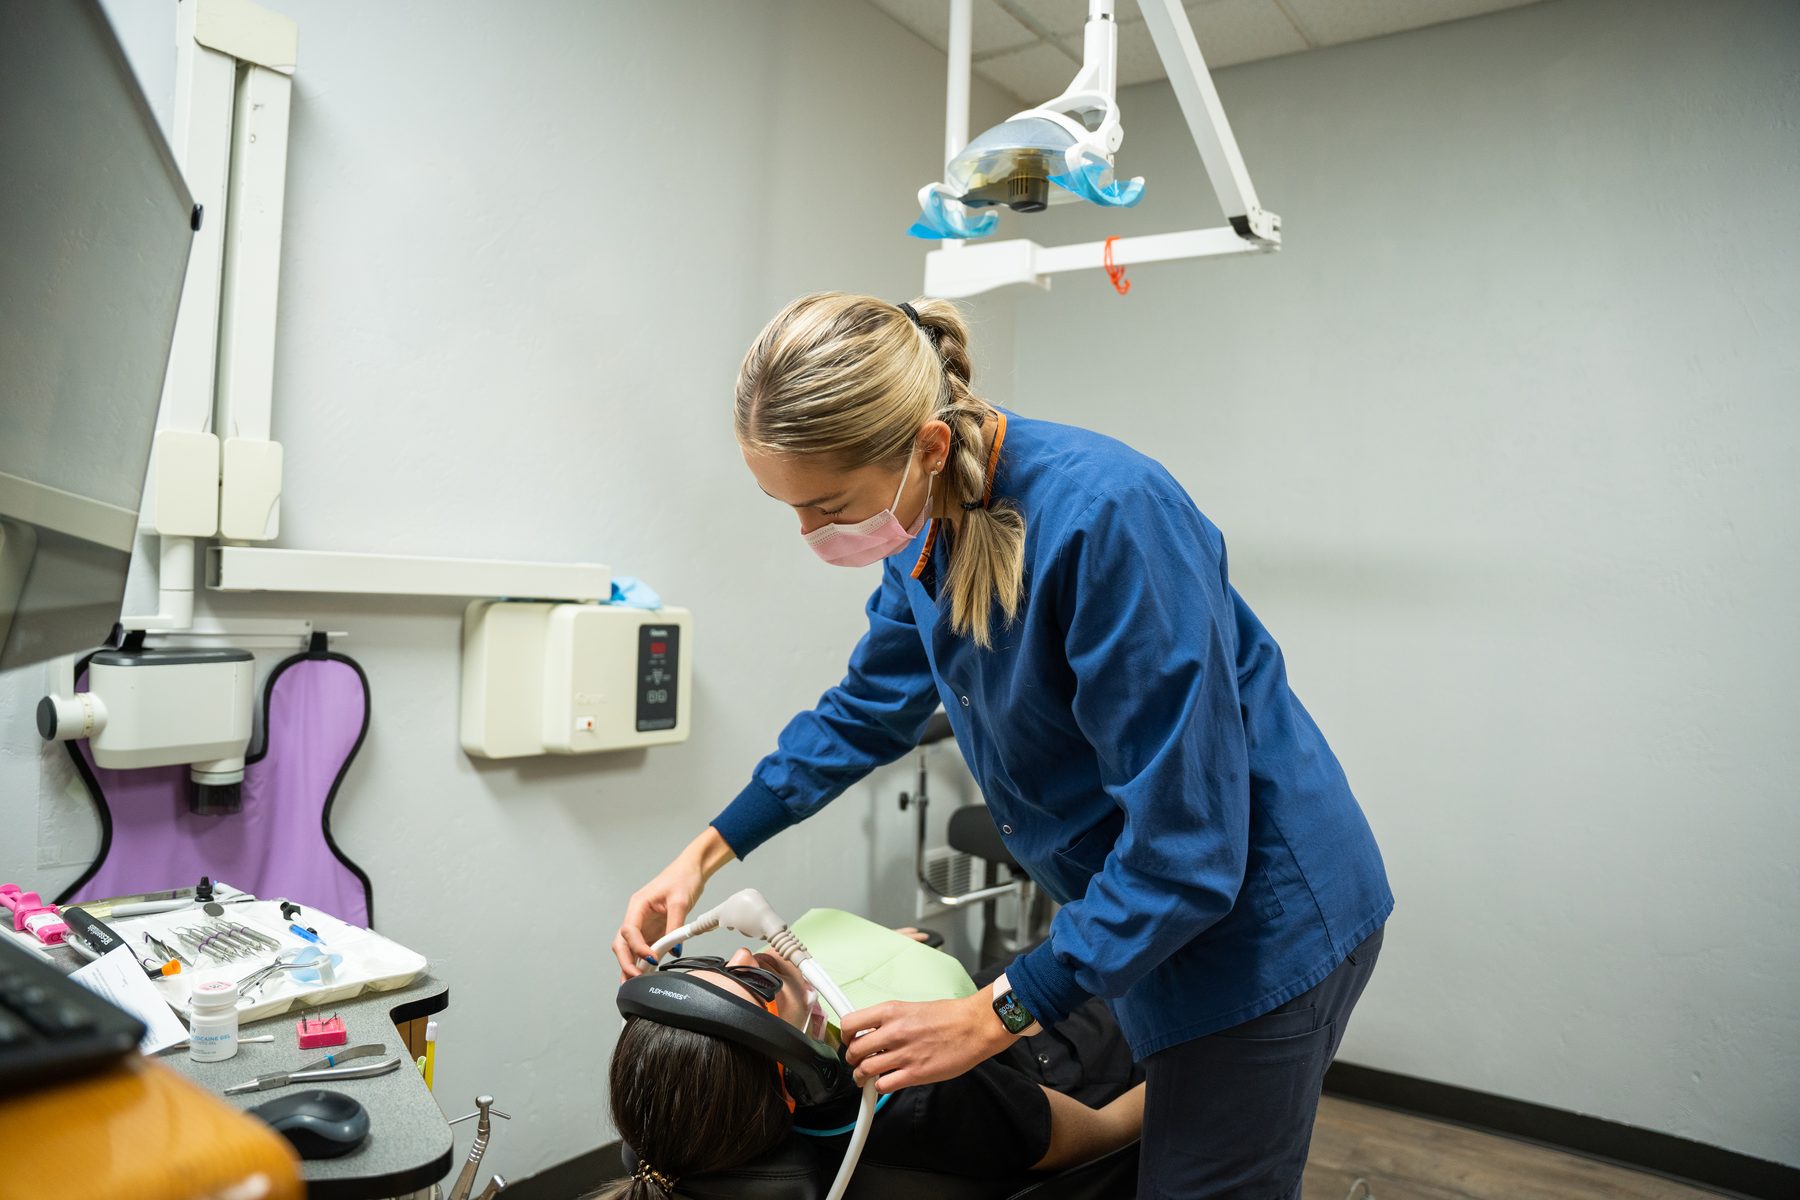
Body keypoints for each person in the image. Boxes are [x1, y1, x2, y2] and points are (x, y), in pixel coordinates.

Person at [614, 292, 1395, 1198]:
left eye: (827, 505)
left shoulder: (1109, 519)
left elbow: (1188, 850)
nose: (810, 533)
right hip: (1136, 909)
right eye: (788, 507)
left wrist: (991, 1017)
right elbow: (866, 708)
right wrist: (706, 851)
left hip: (1259, 926)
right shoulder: (922, 527)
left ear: (926, 448)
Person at [604, 920, 1145, 1199]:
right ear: (795, 1079)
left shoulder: (705, 1130)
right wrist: (1191, 1073)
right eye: (756, 983)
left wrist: (884, 953)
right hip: (1070, 1054)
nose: (746, 952)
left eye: (717, 964)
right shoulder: (927, 1095)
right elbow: (1107, 1133)